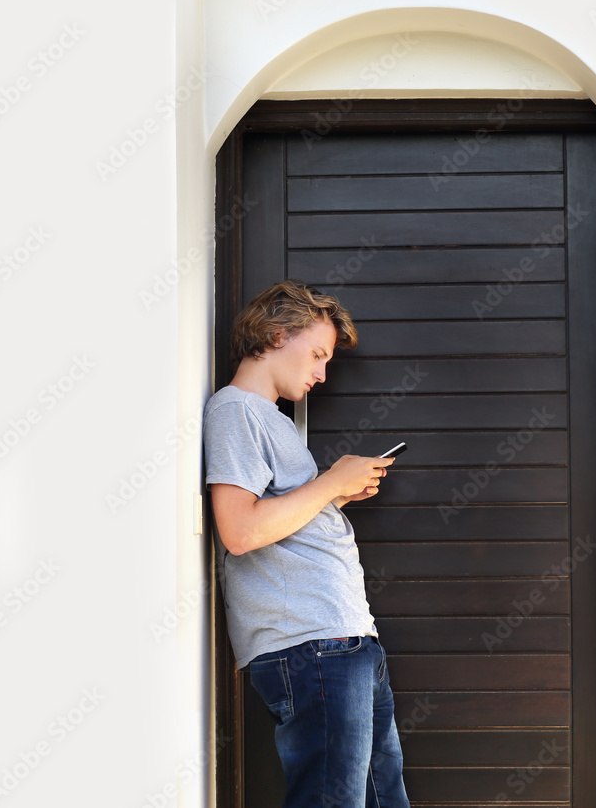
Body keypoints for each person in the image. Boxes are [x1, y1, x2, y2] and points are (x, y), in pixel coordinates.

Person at [202, 279, 410, 808]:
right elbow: (240, 530)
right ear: (275, 335)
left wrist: (336, 499)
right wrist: (329, 483)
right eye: (317, 354)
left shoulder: (270, 420)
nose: (321, 372)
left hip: (345, 639)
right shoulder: (236, 410)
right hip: (313, 646)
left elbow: (277, 520)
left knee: (383, 799)